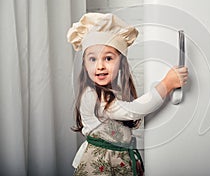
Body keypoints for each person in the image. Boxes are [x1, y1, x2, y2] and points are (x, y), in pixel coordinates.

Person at [67, 13, 188, 176]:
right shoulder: (92, 96)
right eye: (92, 59)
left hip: (118, 159)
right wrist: (166, 84)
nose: (100, 65)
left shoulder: (114, 94)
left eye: (108, 58)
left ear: (121, 63)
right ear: (85, 64)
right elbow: (133, 110)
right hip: (100, 164)